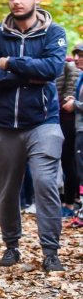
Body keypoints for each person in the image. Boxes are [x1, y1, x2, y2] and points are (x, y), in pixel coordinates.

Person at [0, 0, 67, 272]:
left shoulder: (53, 32)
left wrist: (10, 63)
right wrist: (28, 72)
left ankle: (51, 251)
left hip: (44, 122)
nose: (17, 1)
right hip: (3, 124)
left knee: (46, 183)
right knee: (7, 189)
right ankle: (11, 246)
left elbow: (53, 69)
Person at [64, 43, 83, 228]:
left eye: (81, 55)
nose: (76, 58)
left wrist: (74, 104)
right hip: (79, 128)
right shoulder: (81, 76)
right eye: (75, 54)